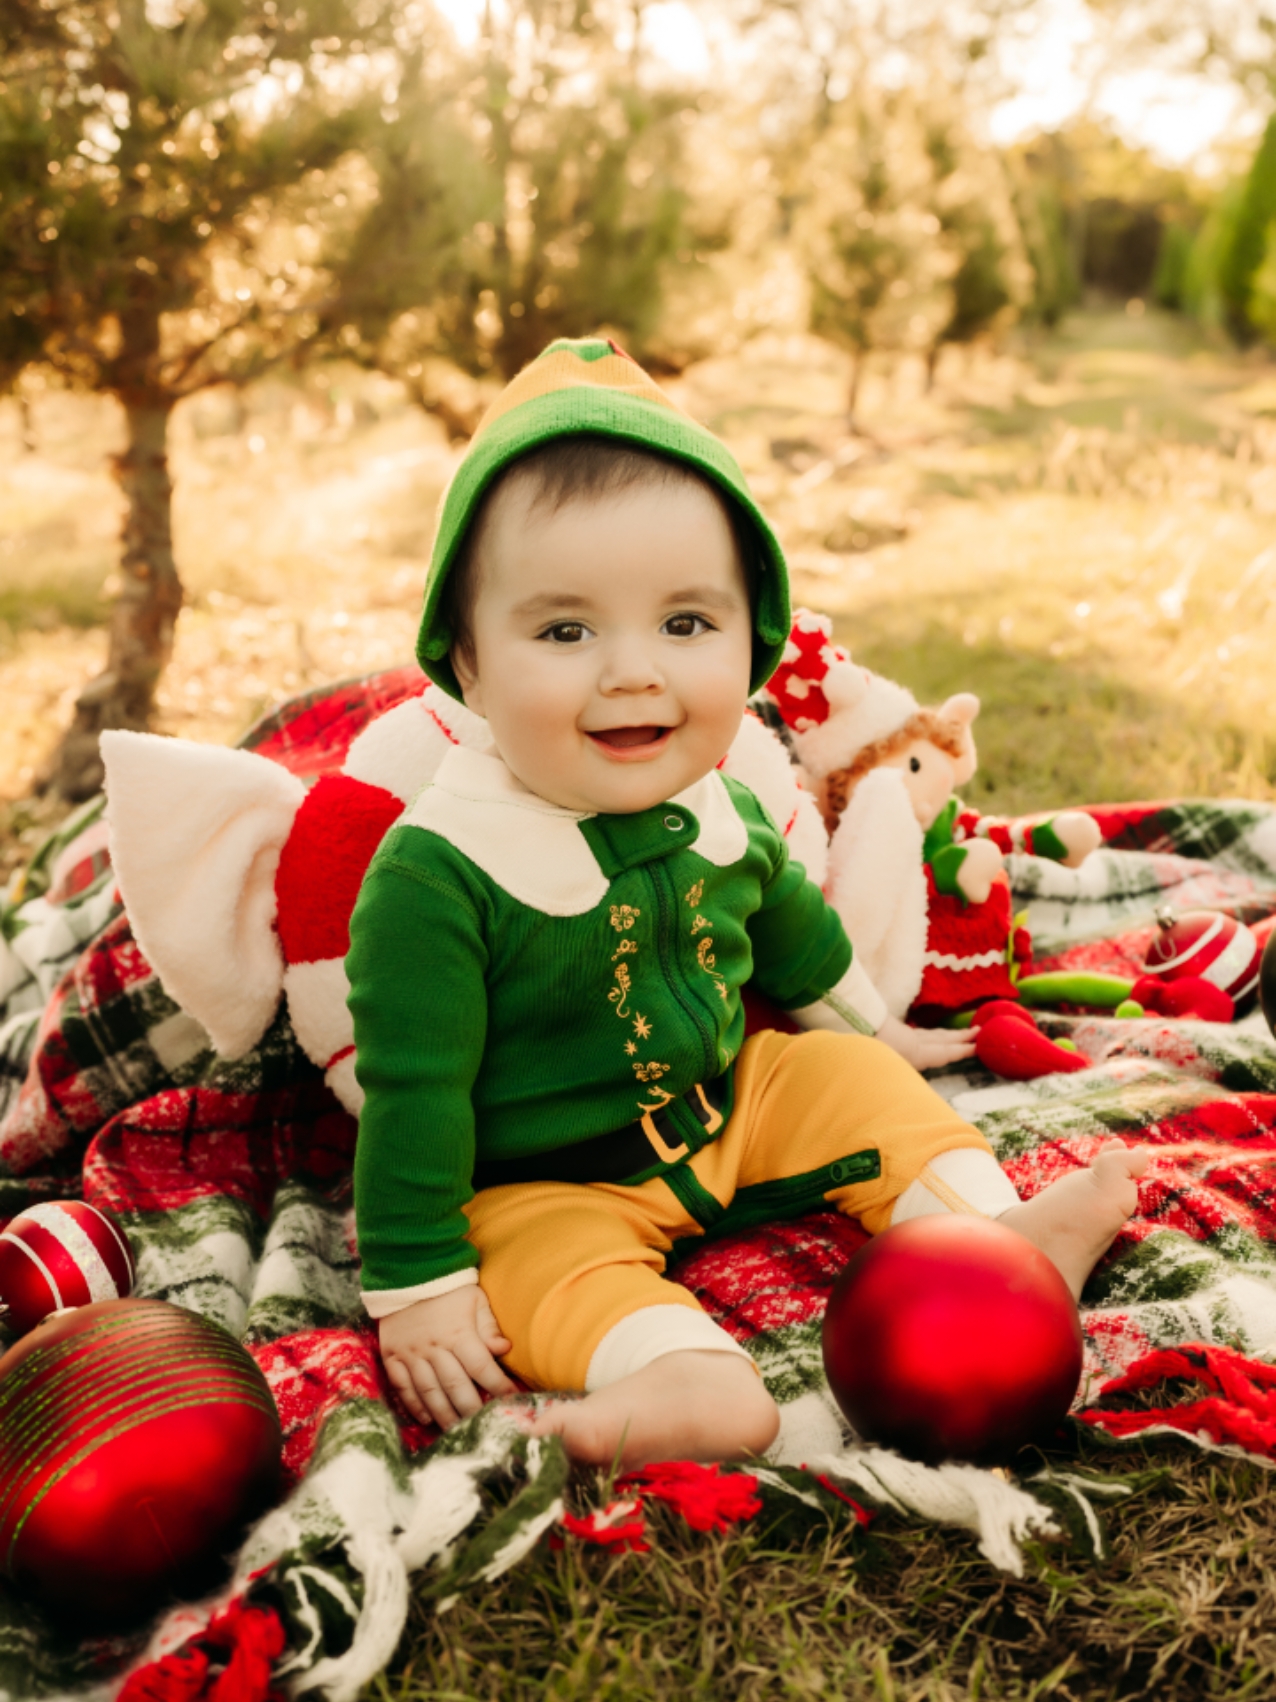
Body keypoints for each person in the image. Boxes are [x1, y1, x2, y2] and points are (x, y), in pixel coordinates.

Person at [346, 338, 1148, 1468]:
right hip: (545, 1178)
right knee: (539, 1267)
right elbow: (413, 1096)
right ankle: (676, 1383)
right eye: (565, 630)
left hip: (728, 1106)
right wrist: (417, 1283)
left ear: (752, 639)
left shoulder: (719, 800)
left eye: (686, 625)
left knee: (843, 1078)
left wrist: (874, 1029)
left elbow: (791, 931)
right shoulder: (440, 872)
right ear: (466, 664)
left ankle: (989, 1238)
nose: (635, 671)